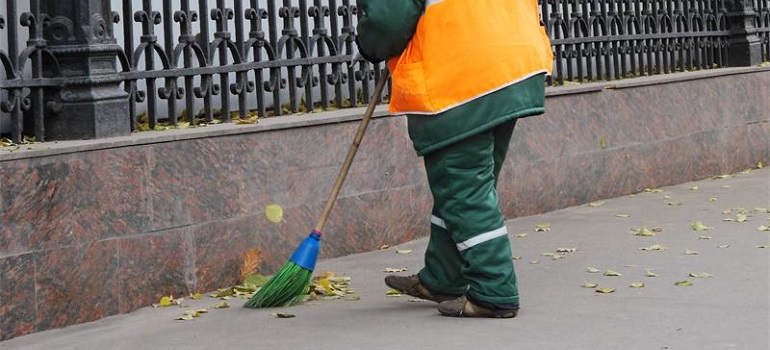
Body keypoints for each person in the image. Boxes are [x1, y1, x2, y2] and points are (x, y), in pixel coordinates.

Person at [355, 0, 553, 318]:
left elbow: (387, 20)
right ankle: (443, 276)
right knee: (464, 186)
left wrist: (371, 43)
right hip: (514, 64)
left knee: (464, 192)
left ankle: (494, 291)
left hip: (460, 75)